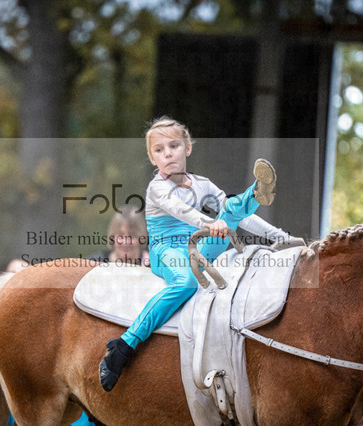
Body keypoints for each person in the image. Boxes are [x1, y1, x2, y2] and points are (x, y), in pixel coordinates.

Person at [99, 116, 304, 391]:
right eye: (159, 149)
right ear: (152, 158)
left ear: (187, 148)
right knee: (185, 282)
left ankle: (256, 193)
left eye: (173, 146)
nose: (167, 153)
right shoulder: (157, 188)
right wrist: (210, 223)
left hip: (197, 245)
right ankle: (125, 344)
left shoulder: (202, 184)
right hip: (167, 250)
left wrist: (282, 237)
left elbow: (238, 218)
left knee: (232, 209)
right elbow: (182, 211)